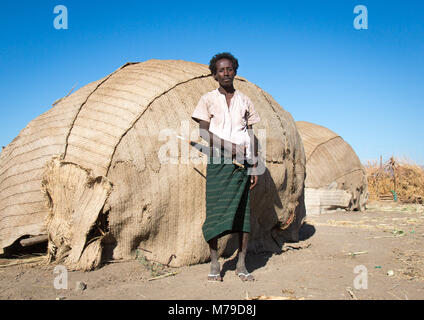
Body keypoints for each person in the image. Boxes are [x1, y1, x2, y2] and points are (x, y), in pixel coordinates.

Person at [191, 52, 261, 282]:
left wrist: (254, 165)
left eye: (229, 69)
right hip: (218, 162)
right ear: (214, 74)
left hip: (242, 165)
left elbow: (251, 135)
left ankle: (241, 264)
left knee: (243, 217)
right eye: (221, 70)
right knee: (214, 213)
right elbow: (203, 132)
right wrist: (228, 146)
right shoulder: (208, 99)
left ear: (235, 71)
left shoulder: (245, 101)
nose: (226, 73)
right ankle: (214, 263)